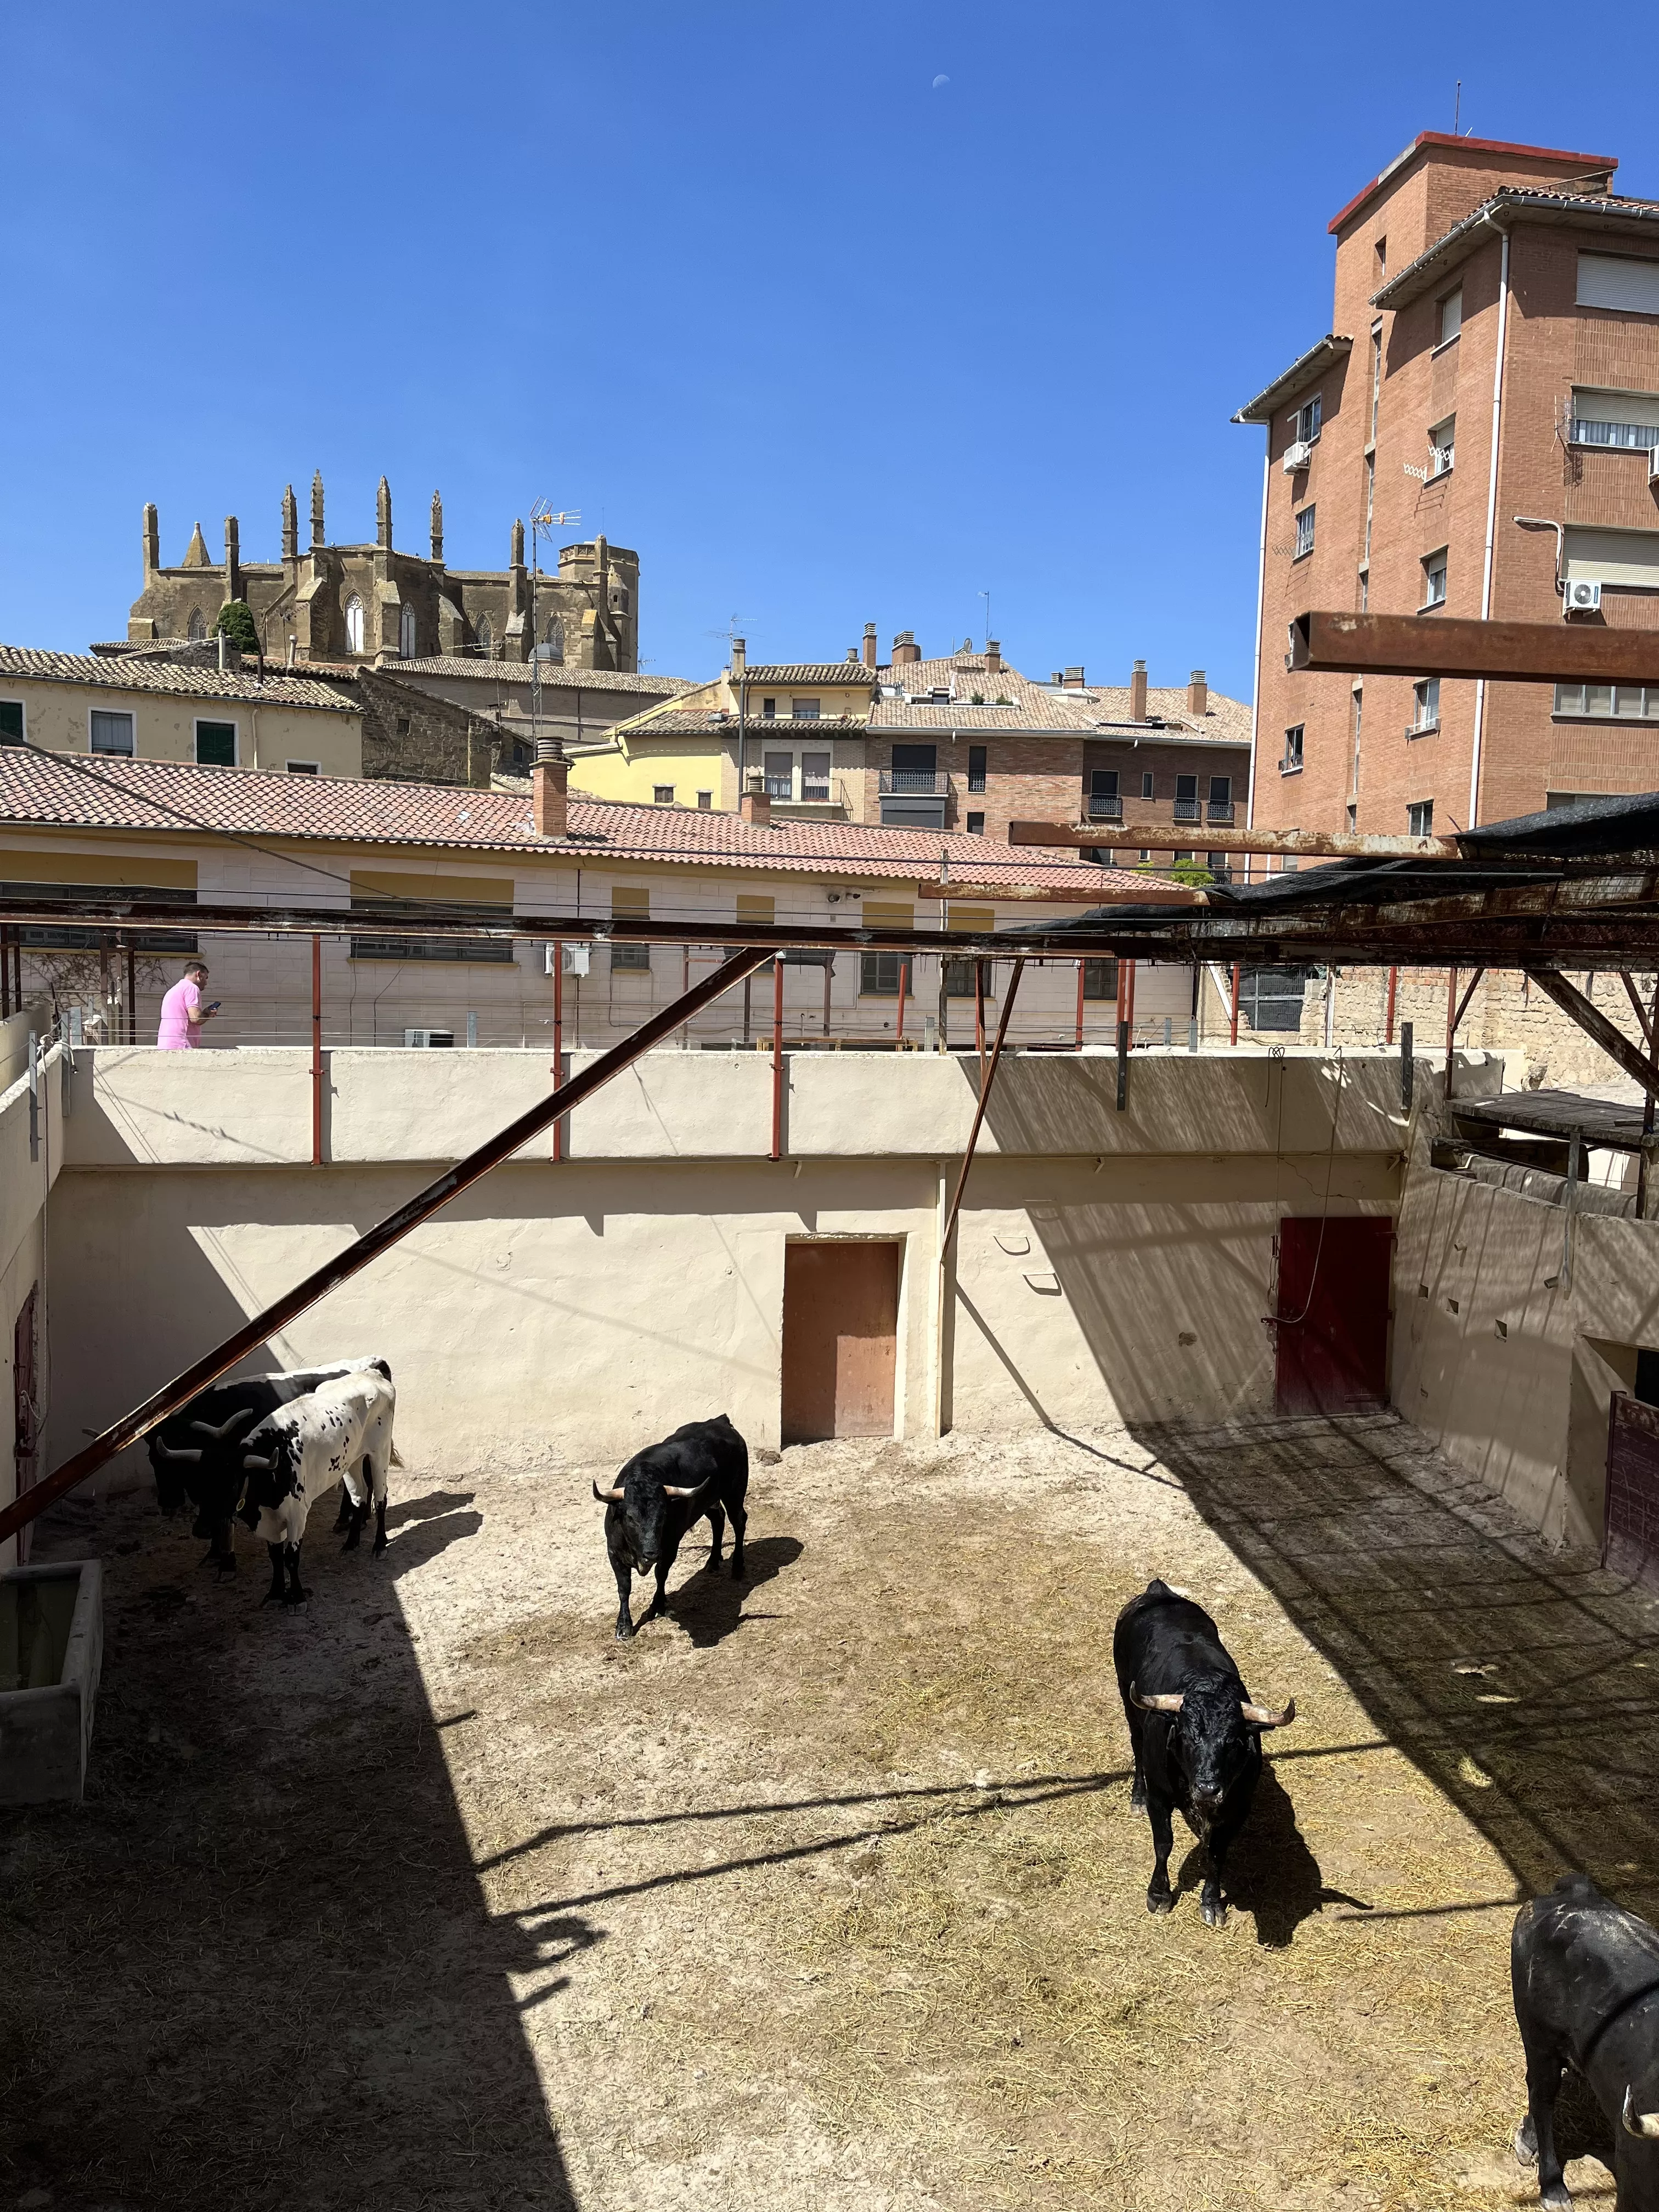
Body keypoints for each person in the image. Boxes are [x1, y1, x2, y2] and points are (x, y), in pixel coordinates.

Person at [156, 959, 218, 1049]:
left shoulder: (175, 989)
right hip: (182, 1044)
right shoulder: (192, 988)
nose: (206, 983)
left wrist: (204, 1013)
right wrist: (208, 1014)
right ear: (199, 974)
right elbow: (196, 1018)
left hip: (166, 1044)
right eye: (205, 978)